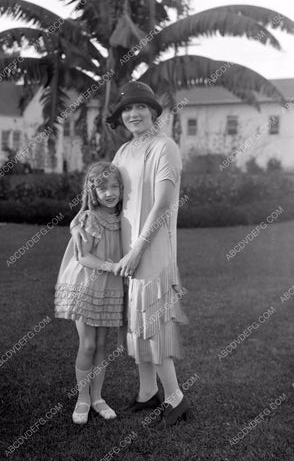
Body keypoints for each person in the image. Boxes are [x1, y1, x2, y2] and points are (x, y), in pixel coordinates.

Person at [71, 81, 190, 427]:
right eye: (126, 109)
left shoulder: (165, 147)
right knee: (136, 326)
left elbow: (164, 203)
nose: (133, 114)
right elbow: (104, 192)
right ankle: (147, 392)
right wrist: (79, 220)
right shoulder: (123, 152)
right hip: (126, 253)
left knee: (155, 324)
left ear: (153, 111)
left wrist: (139, 248)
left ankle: (175, 398)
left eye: (140, 107)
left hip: (151, 250)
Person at [54, 161, 124, 425]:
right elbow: (84, 258)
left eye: (114, 186)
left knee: (102, 345)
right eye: (102, 188)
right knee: (89, 343)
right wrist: (112, 266)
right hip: (85, 285)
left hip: (109, 288)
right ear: (92, 191)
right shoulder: (89, 218)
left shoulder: (121, 217)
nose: (109, 193)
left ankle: (98, 397)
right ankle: (82, 398)